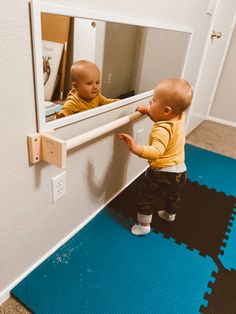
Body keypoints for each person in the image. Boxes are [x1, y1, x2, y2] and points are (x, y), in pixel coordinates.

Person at [118, 78, 193, 236]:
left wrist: (135, 147)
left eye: (153, 101)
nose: (150, 103)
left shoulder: (162, 130)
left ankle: (144, 226)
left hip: (162, 173)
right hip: (180, 171)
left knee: (147, 197)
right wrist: (148, 110)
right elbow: (162, 117)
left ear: (166, 110)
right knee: (173, 194)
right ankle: (169, 214)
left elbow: (156, 151)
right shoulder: (179, 117)